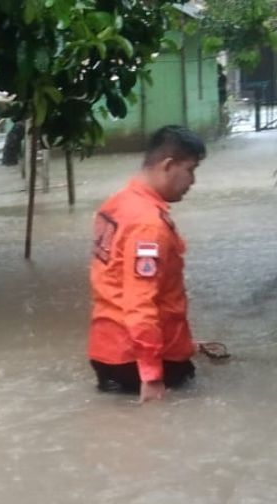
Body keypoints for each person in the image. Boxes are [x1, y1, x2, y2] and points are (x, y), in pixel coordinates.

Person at [87, 125, 206, 403]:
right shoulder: (148, 225)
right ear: (168, 165)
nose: (193, 181)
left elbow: (114, 284)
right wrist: (151, 376)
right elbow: (140, 302)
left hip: (105, 352)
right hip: (138, 361)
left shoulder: (117, 203)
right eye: (191, 169)